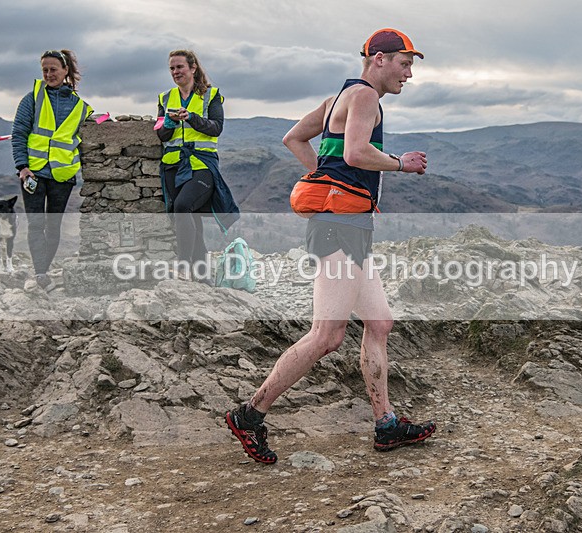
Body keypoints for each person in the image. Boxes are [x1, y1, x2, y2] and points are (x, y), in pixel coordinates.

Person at [226, 28, 436, 464]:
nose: (409, 73)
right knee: (327, 336)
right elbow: (357, 154)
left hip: (347, 225)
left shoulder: (338, 98)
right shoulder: (364, 98)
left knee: (379, 322)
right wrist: (401, 164)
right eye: (405, 62)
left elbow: (293, 138)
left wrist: (327, 181)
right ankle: (250, 415)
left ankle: (386, 425)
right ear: (378, 59)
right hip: (338, 229)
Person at [156, 50, 239, 283]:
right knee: (191, 219)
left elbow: (216, 127)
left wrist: (191, 117)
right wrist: (170, 123)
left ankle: (183, 267)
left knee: (183, 207)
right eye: (172, 68)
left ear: (193, 68)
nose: (175, 72)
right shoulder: (165, 98)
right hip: (173, 164)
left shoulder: (211, 95)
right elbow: (162, 135)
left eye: (180, 67)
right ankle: (202, 277)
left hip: (202, 164)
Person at [12, 49, 92, 289]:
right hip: (33, 173)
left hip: (63, 175)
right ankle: (40, 273)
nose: (48, 74)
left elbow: (90, 130)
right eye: (45, 70)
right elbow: (19, 134)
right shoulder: (32, 98)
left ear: (65, 70)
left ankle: (42, 269)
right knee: (36, 224)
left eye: (53, 69)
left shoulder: (80, 107)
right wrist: (22, 167)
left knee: (53, 226)